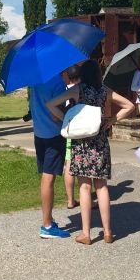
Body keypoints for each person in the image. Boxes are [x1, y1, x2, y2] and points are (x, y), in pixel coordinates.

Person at [47, 59, 134, 245]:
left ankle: (86, 233)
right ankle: (108, 231)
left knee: (85, 187)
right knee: (101, 187)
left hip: (82, 142)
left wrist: (68, 119)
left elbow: (51, 104)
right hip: (100, 140)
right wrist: (112, 120)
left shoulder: (78, 90)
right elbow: (130, 106)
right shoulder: (105, 91)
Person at [30, 74, 73, 238]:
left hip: (39, 133)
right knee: (49, 179)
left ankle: (48, 219)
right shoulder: (57, 83)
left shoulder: (36, 80)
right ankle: (47, 225)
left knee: (45, 176)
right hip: (53, 134)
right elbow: (56, 113)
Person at [62, 65, 83, 208]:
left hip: (69, 129)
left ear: (68, 77)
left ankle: (70, 200)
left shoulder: (64, 90)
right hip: (83, 130)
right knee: (82, 164)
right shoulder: (83, 89)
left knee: (69, 164)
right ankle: (86, 196)